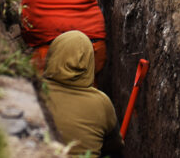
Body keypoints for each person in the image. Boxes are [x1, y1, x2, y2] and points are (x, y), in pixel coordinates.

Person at [43, 30, 124, 158]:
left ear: (53, 55)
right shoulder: (102, 103)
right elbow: (114, 148)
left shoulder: (34, 91)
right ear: (89, 63)